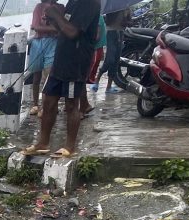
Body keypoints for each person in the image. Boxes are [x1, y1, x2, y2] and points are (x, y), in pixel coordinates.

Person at [21, 0, 101, 158]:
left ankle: (69, 146)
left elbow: (73, 32)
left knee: (71, 104)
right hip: (61, 59)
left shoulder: (89, 3)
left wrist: (55, 14)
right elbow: (63, 29)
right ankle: (43, 142)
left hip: (75, 61)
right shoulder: (73, 2)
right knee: (49, 101)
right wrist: (53, 20)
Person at [26, 0, 59, 116]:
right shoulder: (39, 7)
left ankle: (46, 106)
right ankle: (35, 104)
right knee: (36, 76)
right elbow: (35, 26)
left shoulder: (60, 7)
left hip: (52, 43)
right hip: (38, 43)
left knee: (48, 77)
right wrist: (55, 29)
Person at [95, 9, 127, 93]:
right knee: (110, 59)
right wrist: (116, 13)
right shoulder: (112, 7)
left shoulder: (127, 8)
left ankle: (108, 87)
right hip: (111, 33)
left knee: (116, 60)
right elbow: (108, 22)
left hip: (120, 33)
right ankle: (97, 79)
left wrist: (126, 20)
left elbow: (130, 22)